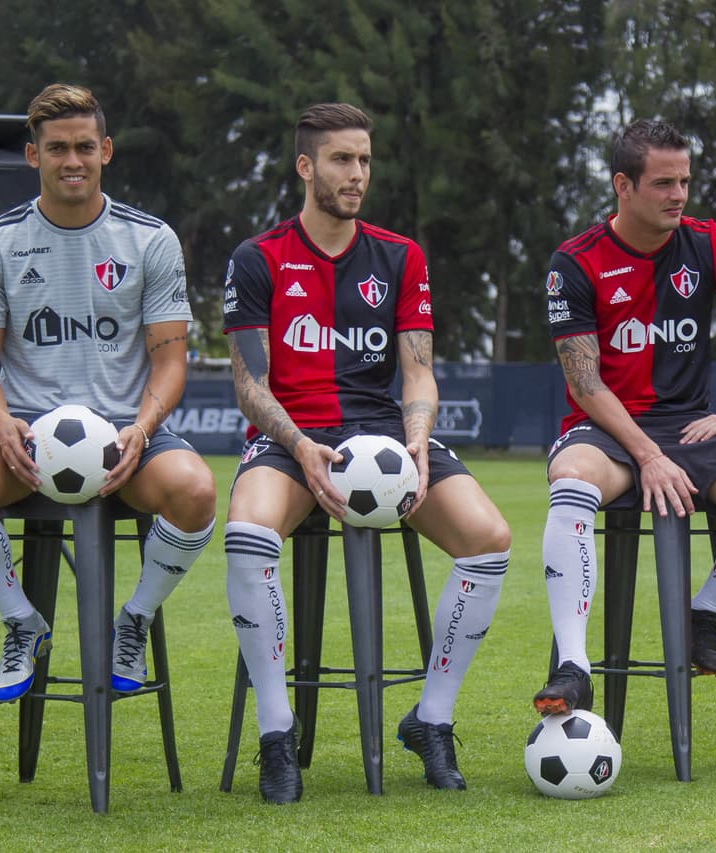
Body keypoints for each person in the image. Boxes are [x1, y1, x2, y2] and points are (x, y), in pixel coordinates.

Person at [222, 103, 509, 803]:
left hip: (384, 437)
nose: (357, 175)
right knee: (247, 531)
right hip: (289, 438)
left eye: (365, 161)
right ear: (306, 166)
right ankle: (277, 732)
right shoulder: (258, 258)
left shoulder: (400, 256)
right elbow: (249, 385)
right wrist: (299, 444)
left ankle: (431, 717)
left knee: (489, 538)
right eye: (343, 160)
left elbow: (417, 370)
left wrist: (416, 436)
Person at [0, 84, 217, 705]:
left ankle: (133, 619)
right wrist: (1, 421)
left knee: (195, 491)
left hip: (124, 437)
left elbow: (169, 363)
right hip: (25, 436)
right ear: (33, 156)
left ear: (106, 150)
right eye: (57, 148)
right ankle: (20, 621)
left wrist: (142, 427)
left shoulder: (150, 240)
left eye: (85, 146)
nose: (72, 160)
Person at [533, 119, 716, 716]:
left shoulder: (710, 244)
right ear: (623, 187)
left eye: (684, 181)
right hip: (607, 428)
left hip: (687, 426)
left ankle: (701, 610)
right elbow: (585, 383)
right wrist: (647, 454)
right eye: (663, 183)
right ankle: (573, 665)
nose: (678, 195)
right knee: (572, 478)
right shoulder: (574, 262)